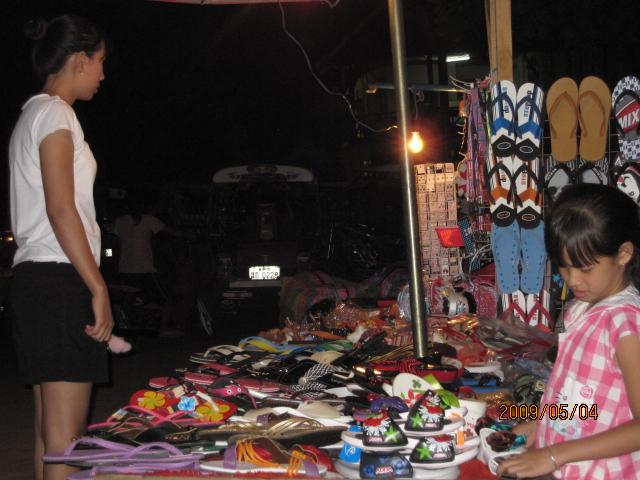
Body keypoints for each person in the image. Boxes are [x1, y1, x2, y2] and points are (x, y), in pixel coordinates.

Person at [8, 15, 111, 480]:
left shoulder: (30, 114)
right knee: (67, 443)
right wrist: (97, 286)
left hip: (36, 283)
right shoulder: (55, 114)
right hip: (60, 281)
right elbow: (61, 208)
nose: (103, 74)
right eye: (100, 62)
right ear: (79, 59)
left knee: (50, 440)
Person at [497, 183, 640, 479]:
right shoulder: (582, 308)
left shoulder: (626, 325)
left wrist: (554, 455)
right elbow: (581, 398)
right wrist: (543, 425)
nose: (572, 280)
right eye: (564, 267)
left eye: (585, 268)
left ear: (624, 254)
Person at [112, 197, 194, 333]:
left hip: (124, 269)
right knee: (166, 299)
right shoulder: (148, 219)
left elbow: (115, 244)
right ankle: (164, 328)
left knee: (134, 298)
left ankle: (139, 323)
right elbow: (171, 232)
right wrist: (190, 236)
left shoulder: (119, 221)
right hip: (145, 269)